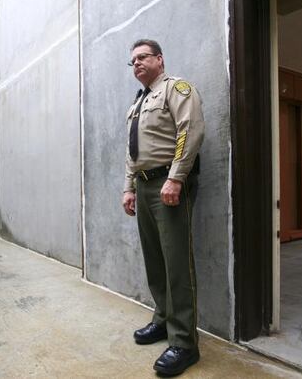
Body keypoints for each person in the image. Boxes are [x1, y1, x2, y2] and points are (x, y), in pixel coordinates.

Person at [121, 39, 205, 376]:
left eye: (143, 57)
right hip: (143, 185)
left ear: (160, 58)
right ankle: (162, 320)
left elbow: (190, 132)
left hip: (168, 186)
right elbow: (132, 151)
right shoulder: (139, 102)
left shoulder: (177, 89)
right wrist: (128, 187)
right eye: (133, 61)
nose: (137, 63)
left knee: (176, 264)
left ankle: (184, 343)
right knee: (155, 259)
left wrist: (176, 178)